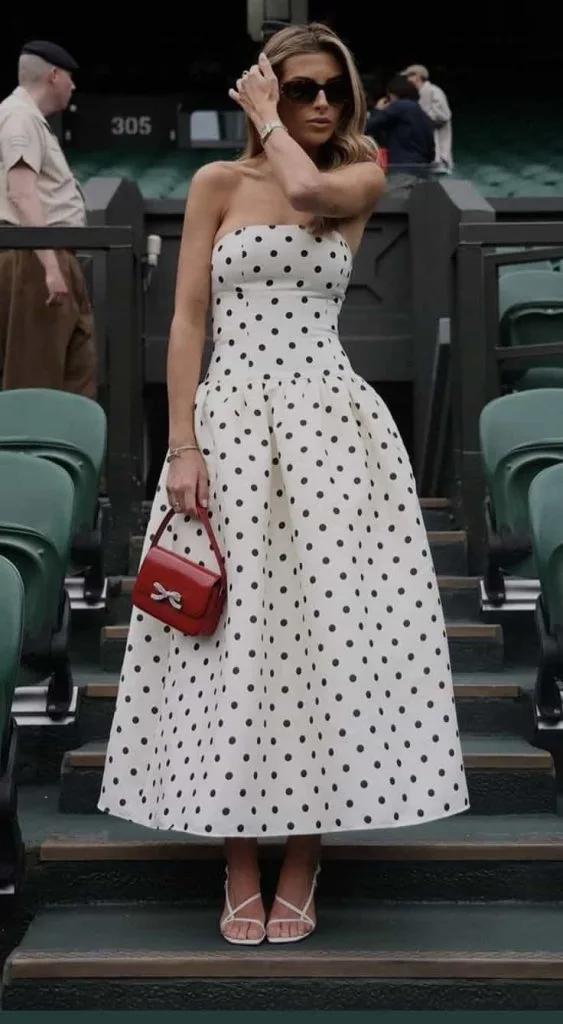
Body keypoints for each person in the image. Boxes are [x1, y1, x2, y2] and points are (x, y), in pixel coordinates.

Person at [98, 21, 469, 946]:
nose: (314, 105)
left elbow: (303, 185)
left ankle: (303, 855)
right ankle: (236, 855)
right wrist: (181, 444)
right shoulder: (215, 185)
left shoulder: (357, 175)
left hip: (330, 432)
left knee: (319, 645)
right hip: (227, 429)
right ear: (271, 86)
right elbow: (186, 322)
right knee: (228, 643)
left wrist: (263, 115)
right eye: (296, 88)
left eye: (329, 91)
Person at [0, 40, 96, 396]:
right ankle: (28, 455)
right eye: (69, 77)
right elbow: (22, 193)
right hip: (35, 258)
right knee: (35, 381)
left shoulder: (30, 118)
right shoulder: (19, 115)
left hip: (49, 255)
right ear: (54, 76)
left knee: (72, 376)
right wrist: (51, 267)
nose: (73, 85)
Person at [365, 73, 435, 190]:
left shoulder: (401, 106)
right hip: (423, 173)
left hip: (402, 172)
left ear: (393, 94)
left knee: (390, 205)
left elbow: (370, 126)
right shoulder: (423, 115)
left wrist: (377, 110)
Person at [402, 63, 453, 173]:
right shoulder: (417, 94)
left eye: (409, 76)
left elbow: (444, 116)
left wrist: (419, 116)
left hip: (438, 154)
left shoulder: (434, 92)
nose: (407, 80)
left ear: (418, 76)